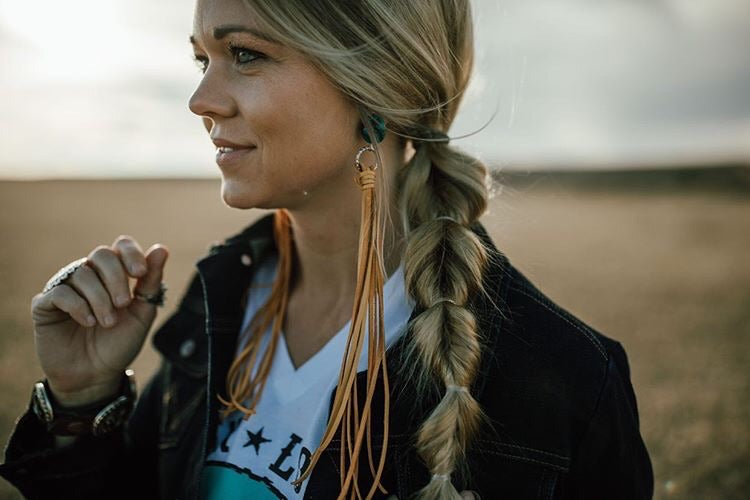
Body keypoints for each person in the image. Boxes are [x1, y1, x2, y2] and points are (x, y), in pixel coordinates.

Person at [0, 0, 654, 499]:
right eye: (203, 59)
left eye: (245, 55)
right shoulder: (216, 310)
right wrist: (81, 401)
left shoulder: (564, 383)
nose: (201, 99)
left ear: (378, 83)